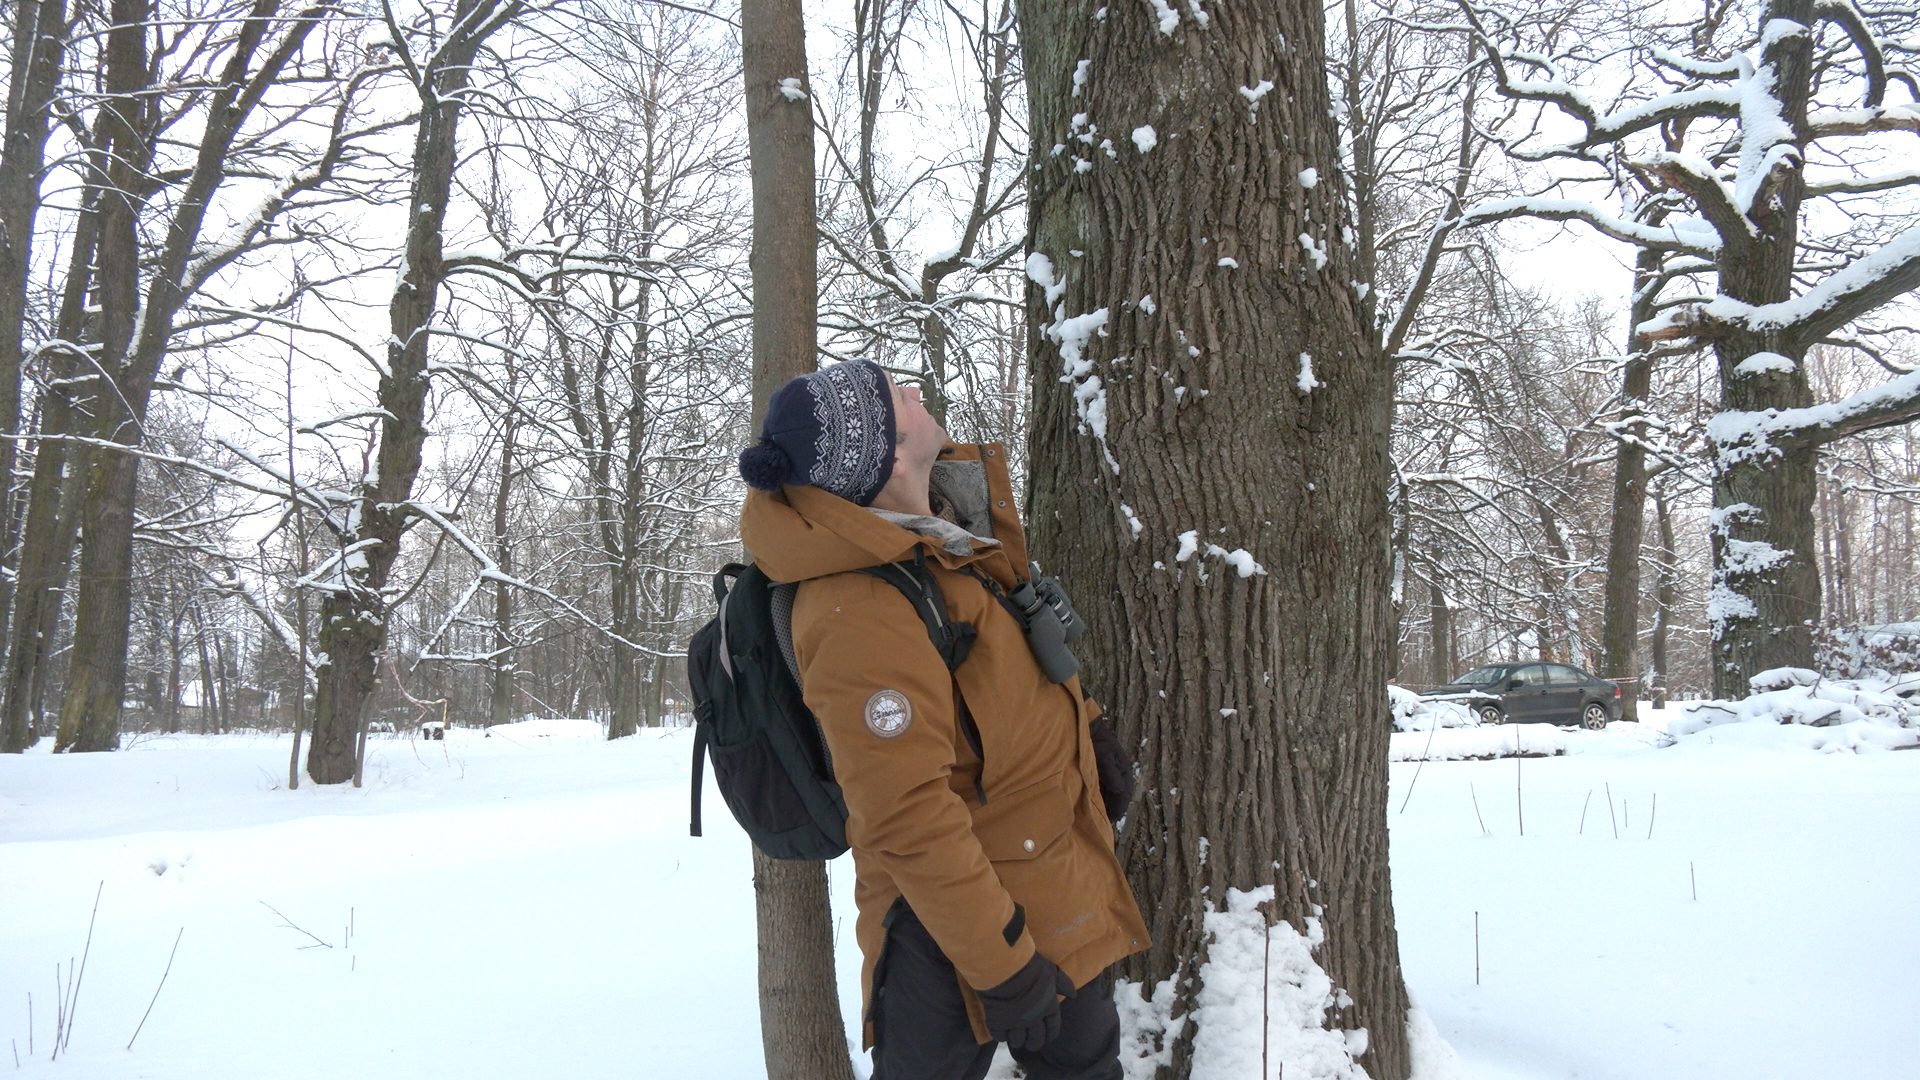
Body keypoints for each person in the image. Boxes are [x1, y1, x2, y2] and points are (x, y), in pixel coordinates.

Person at [738, 359, 1149, 1080]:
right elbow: (905, 814)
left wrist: (1087, 730)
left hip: (1049, 871)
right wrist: (1003, 966)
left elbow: (1000, 680)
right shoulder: (857, 607)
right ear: (888, 454)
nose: (917, 389)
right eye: (897, 395)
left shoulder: (939, 538)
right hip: (947, 926)